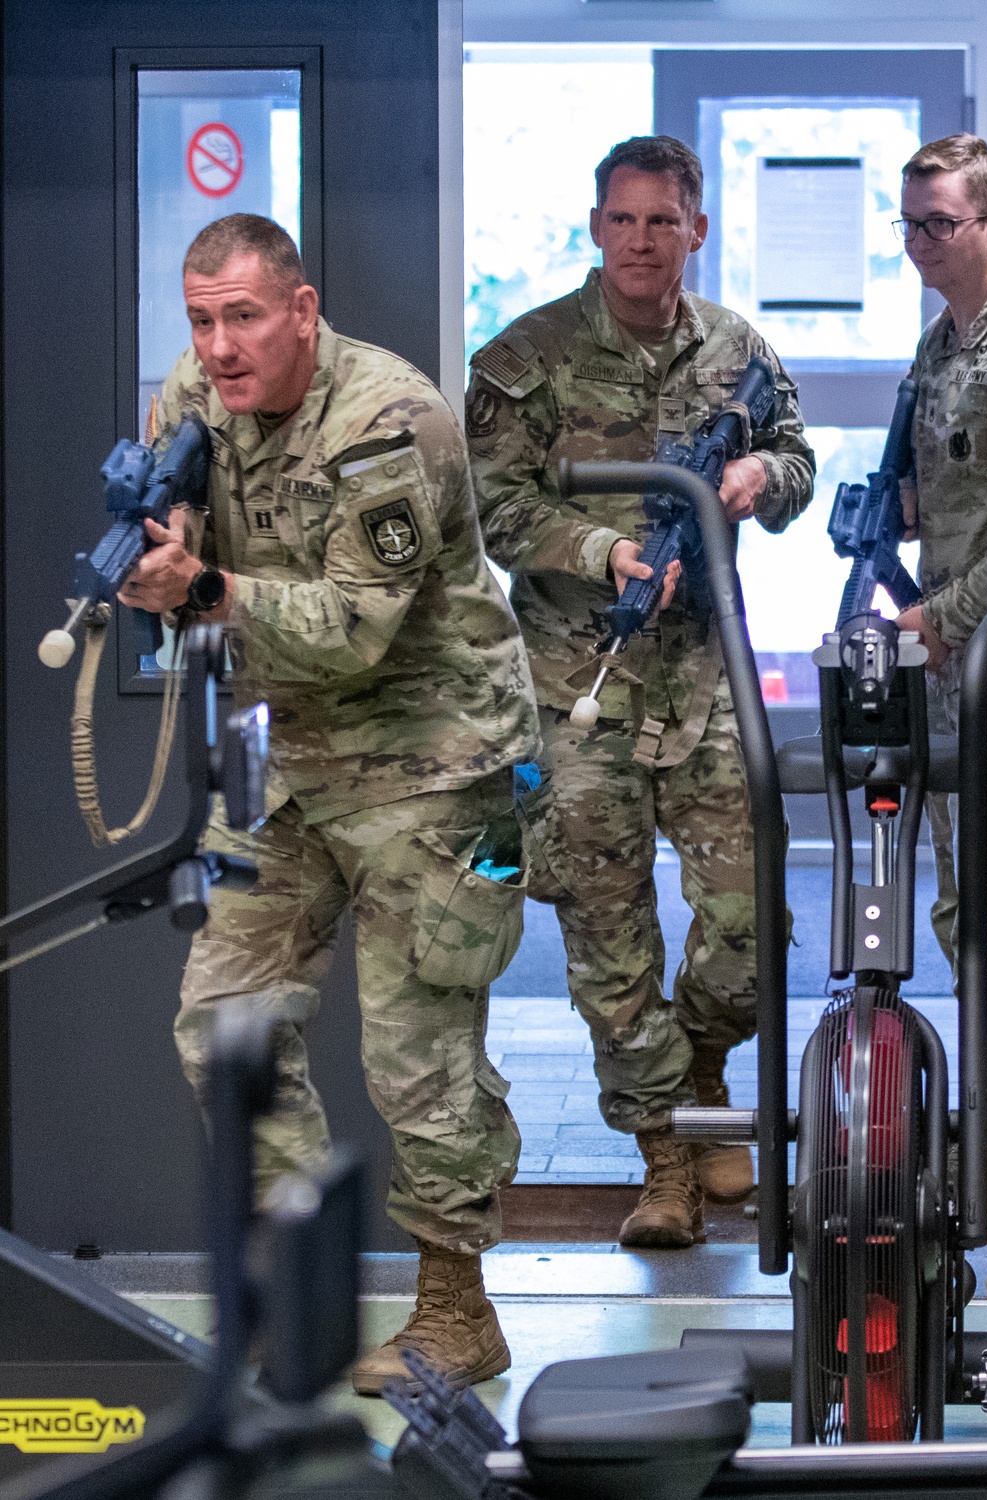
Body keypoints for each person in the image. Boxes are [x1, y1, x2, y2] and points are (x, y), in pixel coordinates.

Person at [119, 213, 541, 1393]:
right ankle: (295, 1291)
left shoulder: (388, 422)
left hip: (438, 762)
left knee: (418, 1051)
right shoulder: (191, 399)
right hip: (283, 759)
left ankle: (457, 1312)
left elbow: (354, 633)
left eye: (243, 316)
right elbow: (175, 550)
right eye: (201, 320)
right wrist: (160, 563)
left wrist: (200, 586)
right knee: (225, 1024)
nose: (218, 346)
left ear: (302, 311)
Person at [466, 136, 814, 1248]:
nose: (640, 241)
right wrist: (607, 548)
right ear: (595, 226)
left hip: (707, 686)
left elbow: (801, 457)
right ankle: (665, 1158)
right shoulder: (525, 358)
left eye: (662, 221)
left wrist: (764, 477)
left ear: (695, 230)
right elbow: (494, 510)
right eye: (621, 220)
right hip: (582, 688)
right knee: (608, 944)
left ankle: (701, 1073)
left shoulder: (736, 350)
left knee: (750, 925)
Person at [892, 134, 987, 1125]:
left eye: (940, 224)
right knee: (966, 920)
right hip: (955, 683)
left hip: (986, 665)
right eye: (909, 224)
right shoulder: (940, 347)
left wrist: (952, 615)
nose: (921, 243)